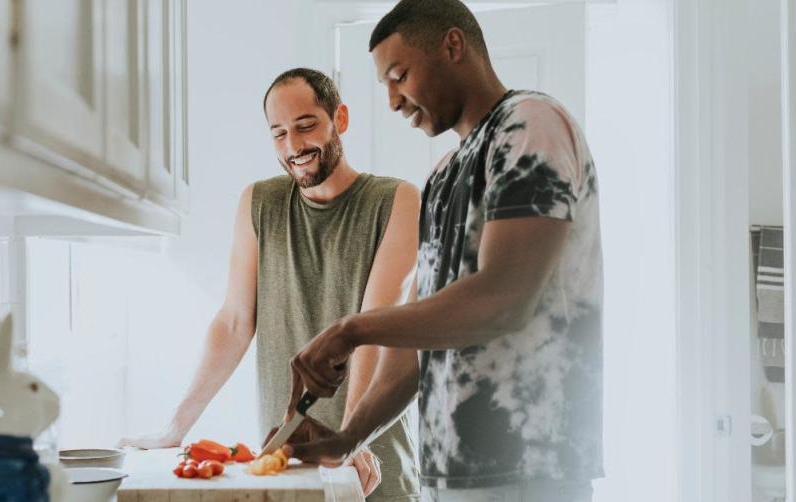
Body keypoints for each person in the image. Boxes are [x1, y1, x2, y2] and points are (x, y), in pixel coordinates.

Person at [280, 2, 604, 501]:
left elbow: (504, 299)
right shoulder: (444, 173)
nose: (392, 101)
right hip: (451, 477)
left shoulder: (529, 126)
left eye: (399, 75)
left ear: (453, 46)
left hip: (531, 473)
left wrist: (352, 330)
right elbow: (417, 342)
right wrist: (347, 439)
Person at [119, 68, 422, 501]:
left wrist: (353, 436)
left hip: (371, 464)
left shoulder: (396, 201)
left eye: (306, 126)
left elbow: (375, 329)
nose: (293, 146)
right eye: (278, 133)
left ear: (341, 118)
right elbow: (234, 322)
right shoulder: (259, 203)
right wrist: (175, 427)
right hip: (289, 465)